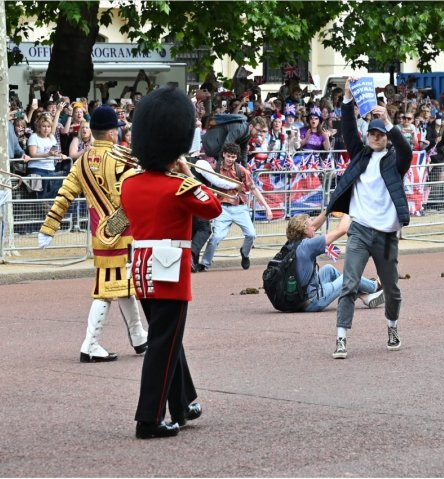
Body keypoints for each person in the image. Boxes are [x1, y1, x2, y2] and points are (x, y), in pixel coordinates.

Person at [119, 85, 222, 439]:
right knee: (163, 345)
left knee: (167, 339)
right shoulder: (177, 187)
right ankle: (149, 418)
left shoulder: (130, 184)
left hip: (141, 268)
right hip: (169, 271)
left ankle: (180, 406)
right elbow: (212, 207)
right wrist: (187, 173)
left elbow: (115, 225)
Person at [37, 106, 148, 363]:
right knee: (107, 289)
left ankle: (139, 336)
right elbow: (134, 196)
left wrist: (49, 227)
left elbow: (64, 195)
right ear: (111, 133)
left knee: (123, 286)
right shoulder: (123, 159)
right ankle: (90, 344)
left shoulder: (82, 161)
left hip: (99, 233)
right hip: (121, 232)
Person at [326, 76, 412, 359]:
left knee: (391, 288)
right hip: (360, 230)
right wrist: (349, 98)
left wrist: (387, 120)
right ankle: (341, 338)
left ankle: (392, 327)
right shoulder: (359, 155)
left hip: (386, 235)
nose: (375, 137)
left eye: (380, 134)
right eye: (371, 133)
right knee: (349, 284)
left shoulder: (394, 160)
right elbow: (348, 128)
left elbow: (407, 150)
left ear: (385, 137)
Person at [285, 212, 384, 312]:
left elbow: (314, 226)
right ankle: (374, 286)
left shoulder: (292, 244)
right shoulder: (308, 245)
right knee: (348, 276)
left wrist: (329, 209)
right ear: (304, 230)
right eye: (312, 226)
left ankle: (363, 296)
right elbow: (342, 230)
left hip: (298, 297)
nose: (315, 227)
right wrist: (347, 209)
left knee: (329, 269)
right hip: (312, 301)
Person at [199, 142, 273, 271]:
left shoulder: (241, 170)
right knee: (216, 237)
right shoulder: (215, 168)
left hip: (240, 207)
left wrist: (267, 207)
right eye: (228, 156)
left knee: (251, 234)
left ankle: (245, 254)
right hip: (222, 207)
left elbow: (254, 189)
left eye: (233, 157)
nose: (230, 159)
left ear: (236, 157)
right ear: (223, 155)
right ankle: (205, 263)